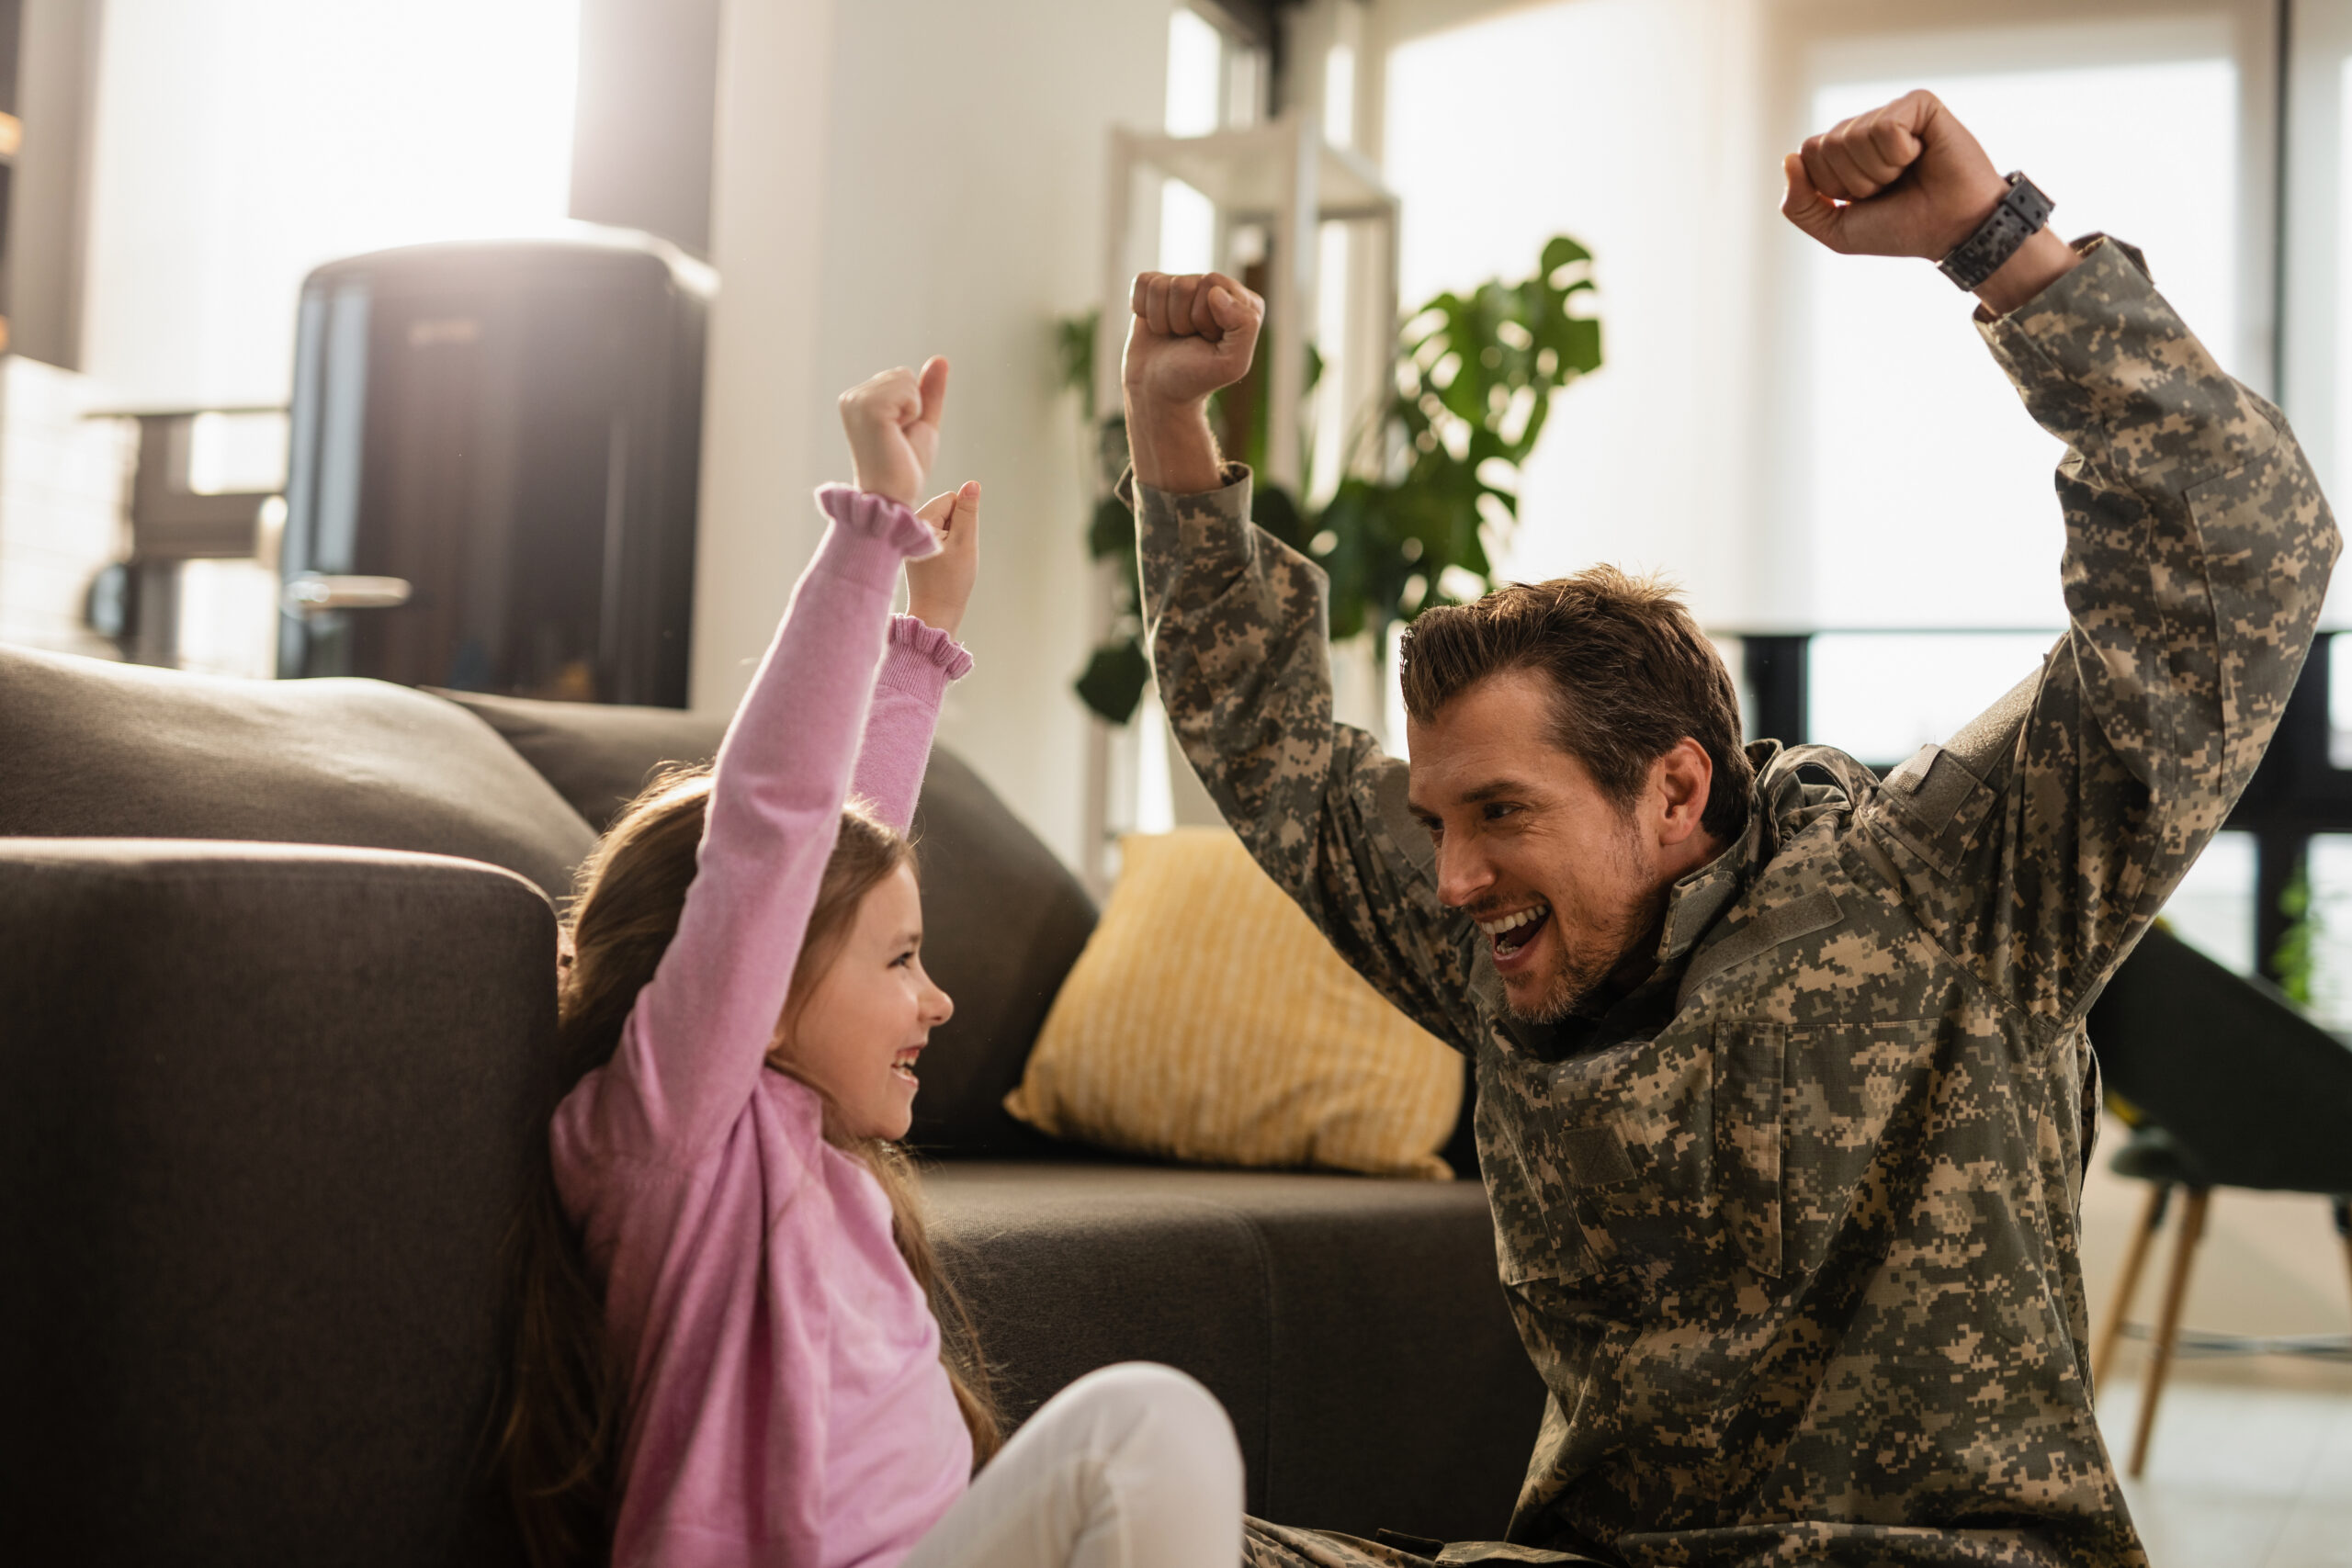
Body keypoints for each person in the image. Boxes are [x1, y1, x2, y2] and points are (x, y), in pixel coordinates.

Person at [1120, 91, 2339, 1568]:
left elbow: (2236, 544)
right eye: (1439, 820)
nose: (1449, 876)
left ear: (1678, 792)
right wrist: (1171, 417)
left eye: (1499, 813)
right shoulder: (1506, 949)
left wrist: (1992, 240)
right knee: (1116, 1514)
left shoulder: (1949, 883)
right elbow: (1268, 747)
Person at [494, 358, 1246, 1568]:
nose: (937, 998)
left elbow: (849, 856)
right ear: (766, 984)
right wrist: (868, 533)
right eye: (905, 961)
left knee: (1152, 1449)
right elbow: (777, 832)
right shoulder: (672, 1143)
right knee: (1144, 1434)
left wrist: (922, 639)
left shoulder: (801, 1139)